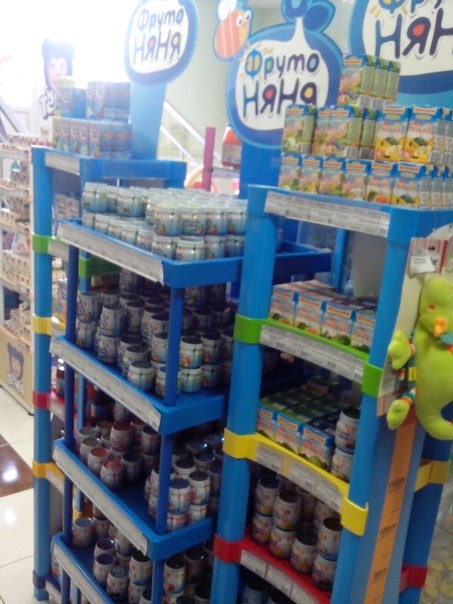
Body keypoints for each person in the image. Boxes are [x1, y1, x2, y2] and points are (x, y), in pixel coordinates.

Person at [39, 39, 74, 120]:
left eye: (62, 66)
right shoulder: (41, 98)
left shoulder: (74, 101)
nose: (57, 73)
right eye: (52, 66)